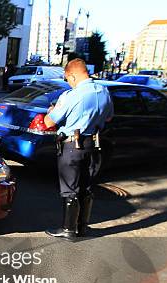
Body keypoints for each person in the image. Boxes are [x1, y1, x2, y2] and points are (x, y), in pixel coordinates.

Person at [43, 58, 114, 241]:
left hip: (72, 146)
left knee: (70, 189)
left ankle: (68, 229)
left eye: (68, 79)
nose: (68, 83)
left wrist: (51, 110)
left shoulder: (71, 96)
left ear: (73, 75)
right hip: (94, 145)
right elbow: (108, 118)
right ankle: (82, 227)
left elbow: (49, 122)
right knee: (86, 187)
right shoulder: (103, 91)